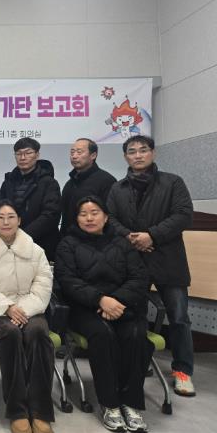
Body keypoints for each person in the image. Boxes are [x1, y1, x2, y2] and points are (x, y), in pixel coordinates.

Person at [106, 135, 195, 397]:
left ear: (153, 153)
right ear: (126, 157)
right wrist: (131, 238)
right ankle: (139, 361)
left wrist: (151, 236)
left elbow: (183, 215)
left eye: (143, 150)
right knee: (136, 315)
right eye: (132, 151)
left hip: (168, 260)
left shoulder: (172, 182)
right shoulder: (118, 188)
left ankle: (183, 370)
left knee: (179, 317)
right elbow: (110, 219)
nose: (138, 155)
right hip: (133, 262)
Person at [55, 196, 152, 432]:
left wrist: (116, 301)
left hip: (122, 306)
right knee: (102, 335)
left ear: (106, 217)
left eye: (95, 212)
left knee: (136, 335)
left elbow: (139, 278)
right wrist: (100, 300)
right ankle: (110, 404)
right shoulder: (67, 244)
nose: (89, 218)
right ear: (76, 218)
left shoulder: (122, 243)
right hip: (85, 309)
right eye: (83, 214)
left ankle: (131, 403)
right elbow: (68, 281)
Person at [0, 199, 54, 433]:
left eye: (11, 217)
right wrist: (7, 307)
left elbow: (43, 286)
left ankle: (40, 411)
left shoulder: (35, 250)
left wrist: (20, 310)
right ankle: (17, 411)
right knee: (11, 333)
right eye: (0, 217)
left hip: (29, 309)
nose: (6, 222)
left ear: (19, 220)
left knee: (38, 332)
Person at [0, 138, 61, 262]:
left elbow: (51, 215)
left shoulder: (49, 183)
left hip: (41, 245)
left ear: (37, 155)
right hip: (10, 245)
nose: (23, 157)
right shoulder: (8, 183)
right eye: (19, 154)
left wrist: (22, 236)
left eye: (28, 153)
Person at [60, 138, 116, 236]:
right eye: (72, 152)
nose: (74, 156)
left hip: (94, 241)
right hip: (67, 240)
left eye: (79, 152)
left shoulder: (106, 181)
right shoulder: (70, 183)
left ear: (93, 155)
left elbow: (111, 216)